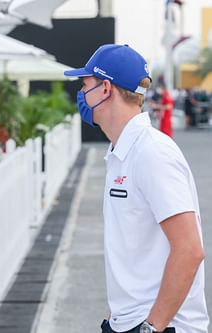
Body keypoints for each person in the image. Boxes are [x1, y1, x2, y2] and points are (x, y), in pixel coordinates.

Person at [64, 44, 208, 333]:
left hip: (165, 326)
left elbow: (190, 250)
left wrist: (151, 327)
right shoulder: (121, 151)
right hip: (130, 322)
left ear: (105, 89)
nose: (81, 94)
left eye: (85, 85)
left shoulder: (152, 153)